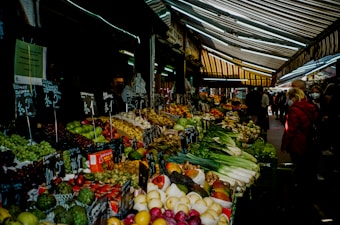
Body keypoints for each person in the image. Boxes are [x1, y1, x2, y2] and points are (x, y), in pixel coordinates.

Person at [281, 87, 319, 212]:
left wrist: (284, 145)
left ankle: (299, 199)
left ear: (293, 98)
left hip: (298, 144)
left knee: (299, 169)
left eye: (288, 98)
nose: (288, 101)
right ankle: (309, 196)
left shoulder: (295, 110)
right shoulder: (311, 106)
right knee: (307, 169)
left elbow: (290, 130)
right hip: (310, 144)